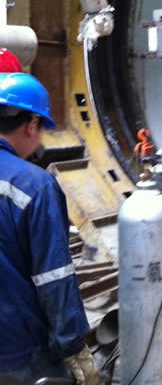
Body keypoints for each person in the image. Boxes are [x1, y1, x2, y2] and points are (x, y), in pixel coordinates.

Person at [0, 72, 100, 385]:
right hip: (20, 352)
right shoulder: (36, 184)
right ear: (31, 125)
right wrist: (73, 346)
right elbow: (54, 276)